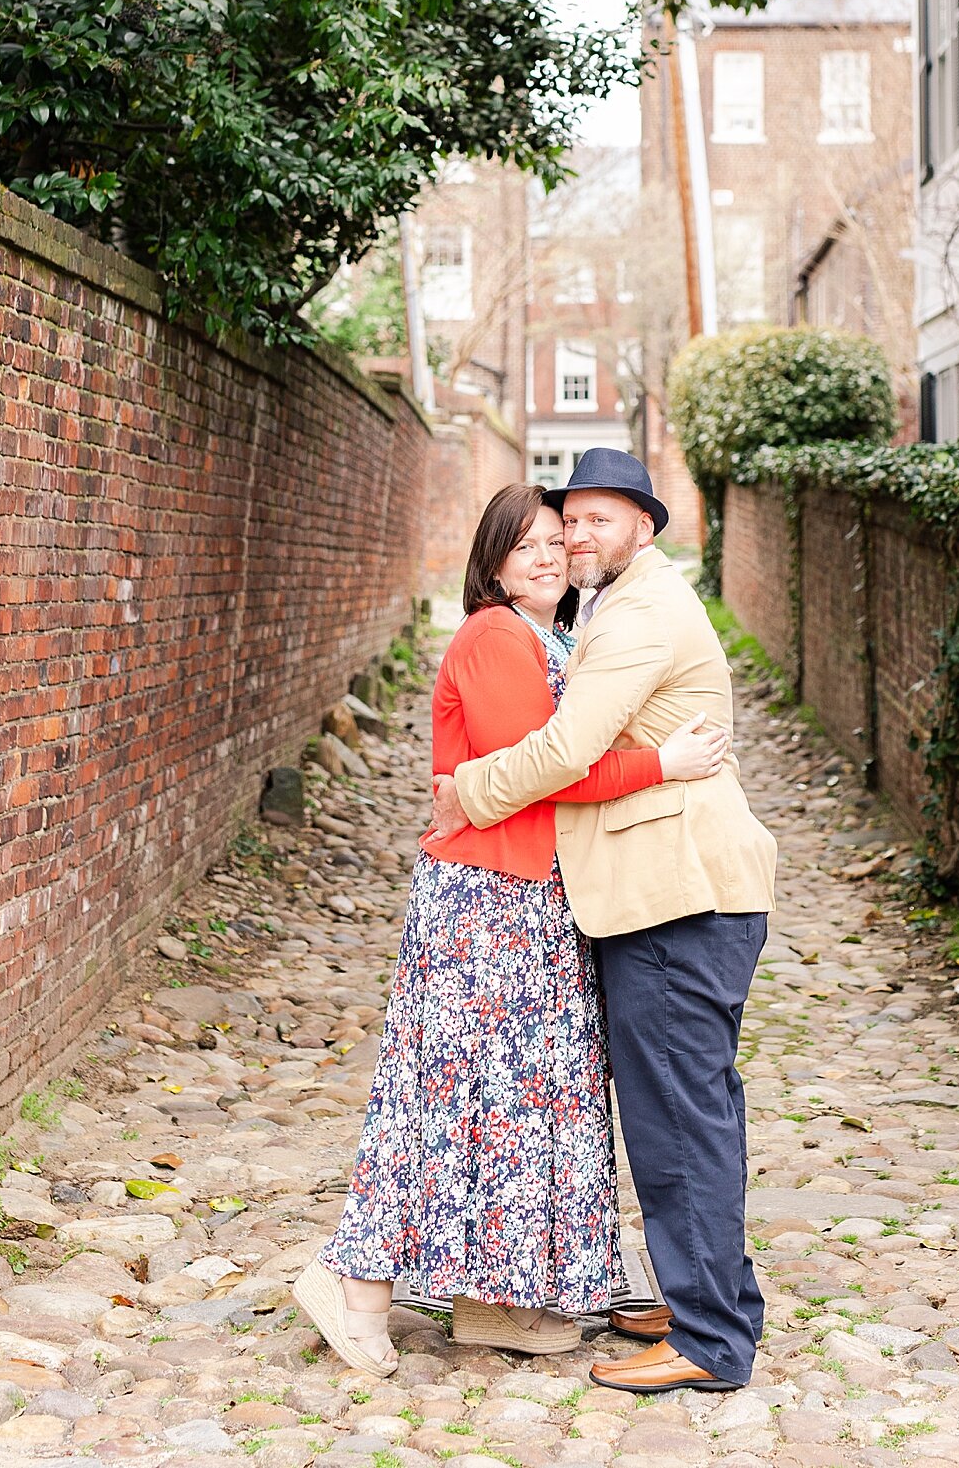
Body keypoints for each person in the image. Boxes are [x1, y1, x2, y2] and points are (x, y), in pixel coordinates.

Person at [294, 482, 728, 1379]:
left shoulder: (556, 636)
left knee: (522, 1106)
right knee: (448, 1102)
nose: (546, 555)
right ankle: (354, 1283)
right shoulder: (494, 634)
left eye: (554, 541)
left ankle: (497, 1296)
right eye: (523, 543)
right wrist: (662, 763)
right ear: (490, 562)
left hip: (534, 900)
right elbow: (544, 769)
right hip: (483, 903)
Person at [426, 449, 778, 1397]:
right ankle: (706, 1300)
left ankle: (708, 1339)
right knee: (692, 1107)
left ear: (645, 526)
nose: (578, 535)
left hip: (676, 894)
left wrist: (468, 789)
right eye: (568, 518)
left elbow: (567, 748)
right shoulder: (615, 603)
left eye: (599, 519)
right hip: (669, 892)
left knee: (675, 1117)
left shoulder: (640, 616)